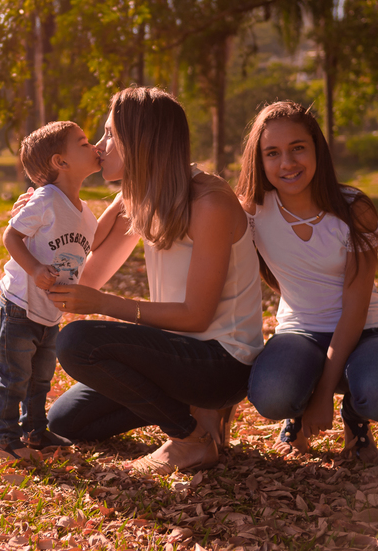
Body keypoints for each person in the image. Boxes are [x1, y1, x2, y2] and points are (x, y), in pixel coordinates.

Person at [37, 87, 263, 474]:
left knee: (76, 343)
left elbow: (197, 316)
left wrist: (105, 304)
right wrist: (49, 211)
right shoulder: (140, 197)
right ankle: (188, 411)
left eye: (110, 134)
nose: (100, 145)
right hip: (174, 354)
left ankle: (189, 439)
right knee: (65, 422)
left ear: (140, 140)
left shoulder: (209, 201)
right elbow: (86, 275)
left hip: (220, 361)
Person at [236, 101, 378, 461]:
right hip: (299, 332)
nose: (287, 163)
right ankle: (295, 409)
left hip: (365, 331)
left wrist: (323, 396)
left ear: (317, 148)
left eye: (298, 148)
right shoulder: (253, 211)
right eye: (273, 153)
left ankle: (355, 413)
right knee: (271, 395)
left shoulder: (353, 208)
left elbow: (355, 306)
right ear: (260, 160)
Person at [0, 121, 101, 460]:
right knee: (15, 376)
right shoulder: (45, 199)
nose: (94, 145)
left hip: (50, 311)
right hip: (21, 304)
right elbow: (11, 236)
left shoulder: (87, 216)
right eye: (83, 143)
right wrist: (35, 269)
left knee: (40, 379)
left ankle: (35, 431)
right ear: (60, 162)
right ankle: (5, 438)